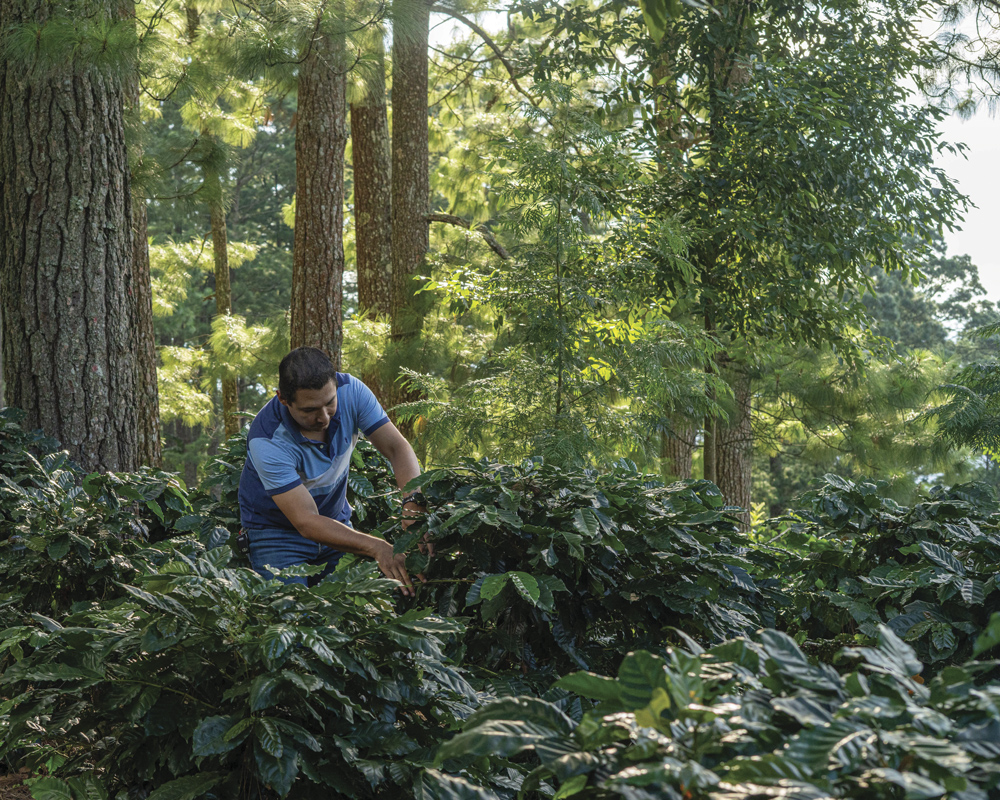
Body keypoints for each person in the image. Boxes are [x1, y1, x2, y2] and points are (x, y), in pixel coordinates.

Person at [238, 347, 426, 594]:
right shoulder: (268, 440)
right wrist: (377, 547)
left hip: (337, 525)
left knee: (353, 616)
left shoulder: (353, 391)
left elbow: (397, 449)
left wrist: (413, 507)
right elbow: (306, 521)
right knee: (292, 620)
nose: (324, 417)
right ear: (283, 399)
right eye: (309, 410)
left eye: (330, 403)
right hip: (277, 536)